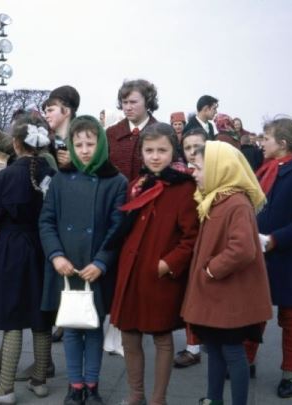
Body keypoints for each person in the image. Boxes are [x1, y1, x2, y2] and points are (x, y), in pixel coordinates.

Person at [40, 115, 128, 404]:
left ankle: (92, 385)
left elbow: (118, 227)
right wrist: (55, 256)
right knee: (70, 327)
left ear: (101, 144)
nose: (85, 149)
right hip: (66, 266)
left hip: (95, 267)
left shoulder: (116, 181)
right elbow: (47, 221)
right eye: (78, 144)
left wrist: (102, 262)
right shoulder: (61, 179)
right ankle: (74, 386)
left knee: (93, 328)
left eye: (90, 143)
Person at [109, 123, 199, 405]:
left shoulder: (184, 188)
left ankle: (158, 399)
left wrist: (168, 264)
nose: (155, 156)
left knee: (161, 336)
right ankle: (136, 394)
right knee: (129, 335)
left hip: (159, 274)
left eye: (162, 150)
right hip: (132, 272)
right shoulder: (137, 183)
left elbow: (191, 237)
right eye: (149, 150)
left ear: (173, 151)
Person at [182, 141, 273, 405]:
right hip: (218, 296)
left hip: (229, 298)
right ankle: (213, 398)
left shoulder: (236, 203)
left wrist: (211, 268)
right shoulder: (216, 198)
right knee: (214, 350)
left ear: (219, 168)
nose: (194, 173)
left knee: (233, 353)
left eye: (198, 168)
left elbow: (243, 249)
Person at [0, 121, 56, 404]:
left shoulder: (6, 176)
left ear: (17, 145)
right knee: (41, 316)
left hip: (12, 247)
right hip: (44, 247)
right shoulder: (51, 174)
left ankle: (5, 388)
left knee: (13, 317)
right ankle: (40, 381)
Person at [245, 117, 292, 399]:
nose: (261, 143)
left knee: (290, 317)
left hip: (289, 260)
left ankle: (290, 373)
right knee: (256, 311)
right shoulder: (267, 170)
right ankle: (247, 360)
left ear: (283, 144)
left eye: (267, 138)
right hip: (262, 256)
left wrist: (274, 239)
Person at [172, 127, 208, 369]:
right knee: (190, 295)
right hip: (189, 241)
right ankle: (193, 347)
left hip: (212, 241)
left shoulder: (216, 173)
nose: (192, 152)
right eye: (187, 147)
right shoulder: (181, 176)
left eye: (198, 147)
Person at [106, 79, 159, 182]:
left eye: (133, 102)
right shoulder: (111, 133)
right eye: (124, 102)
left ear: (147, 102)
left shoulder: (163, 135)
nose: (128, 107)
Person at [42, 85, 81, 168]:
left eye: (50, 110)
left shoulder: (84, 139)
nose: (46, 116)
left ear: (67, 111)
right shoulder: (46, 142)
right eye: (45, 112)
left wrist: (76, 161)